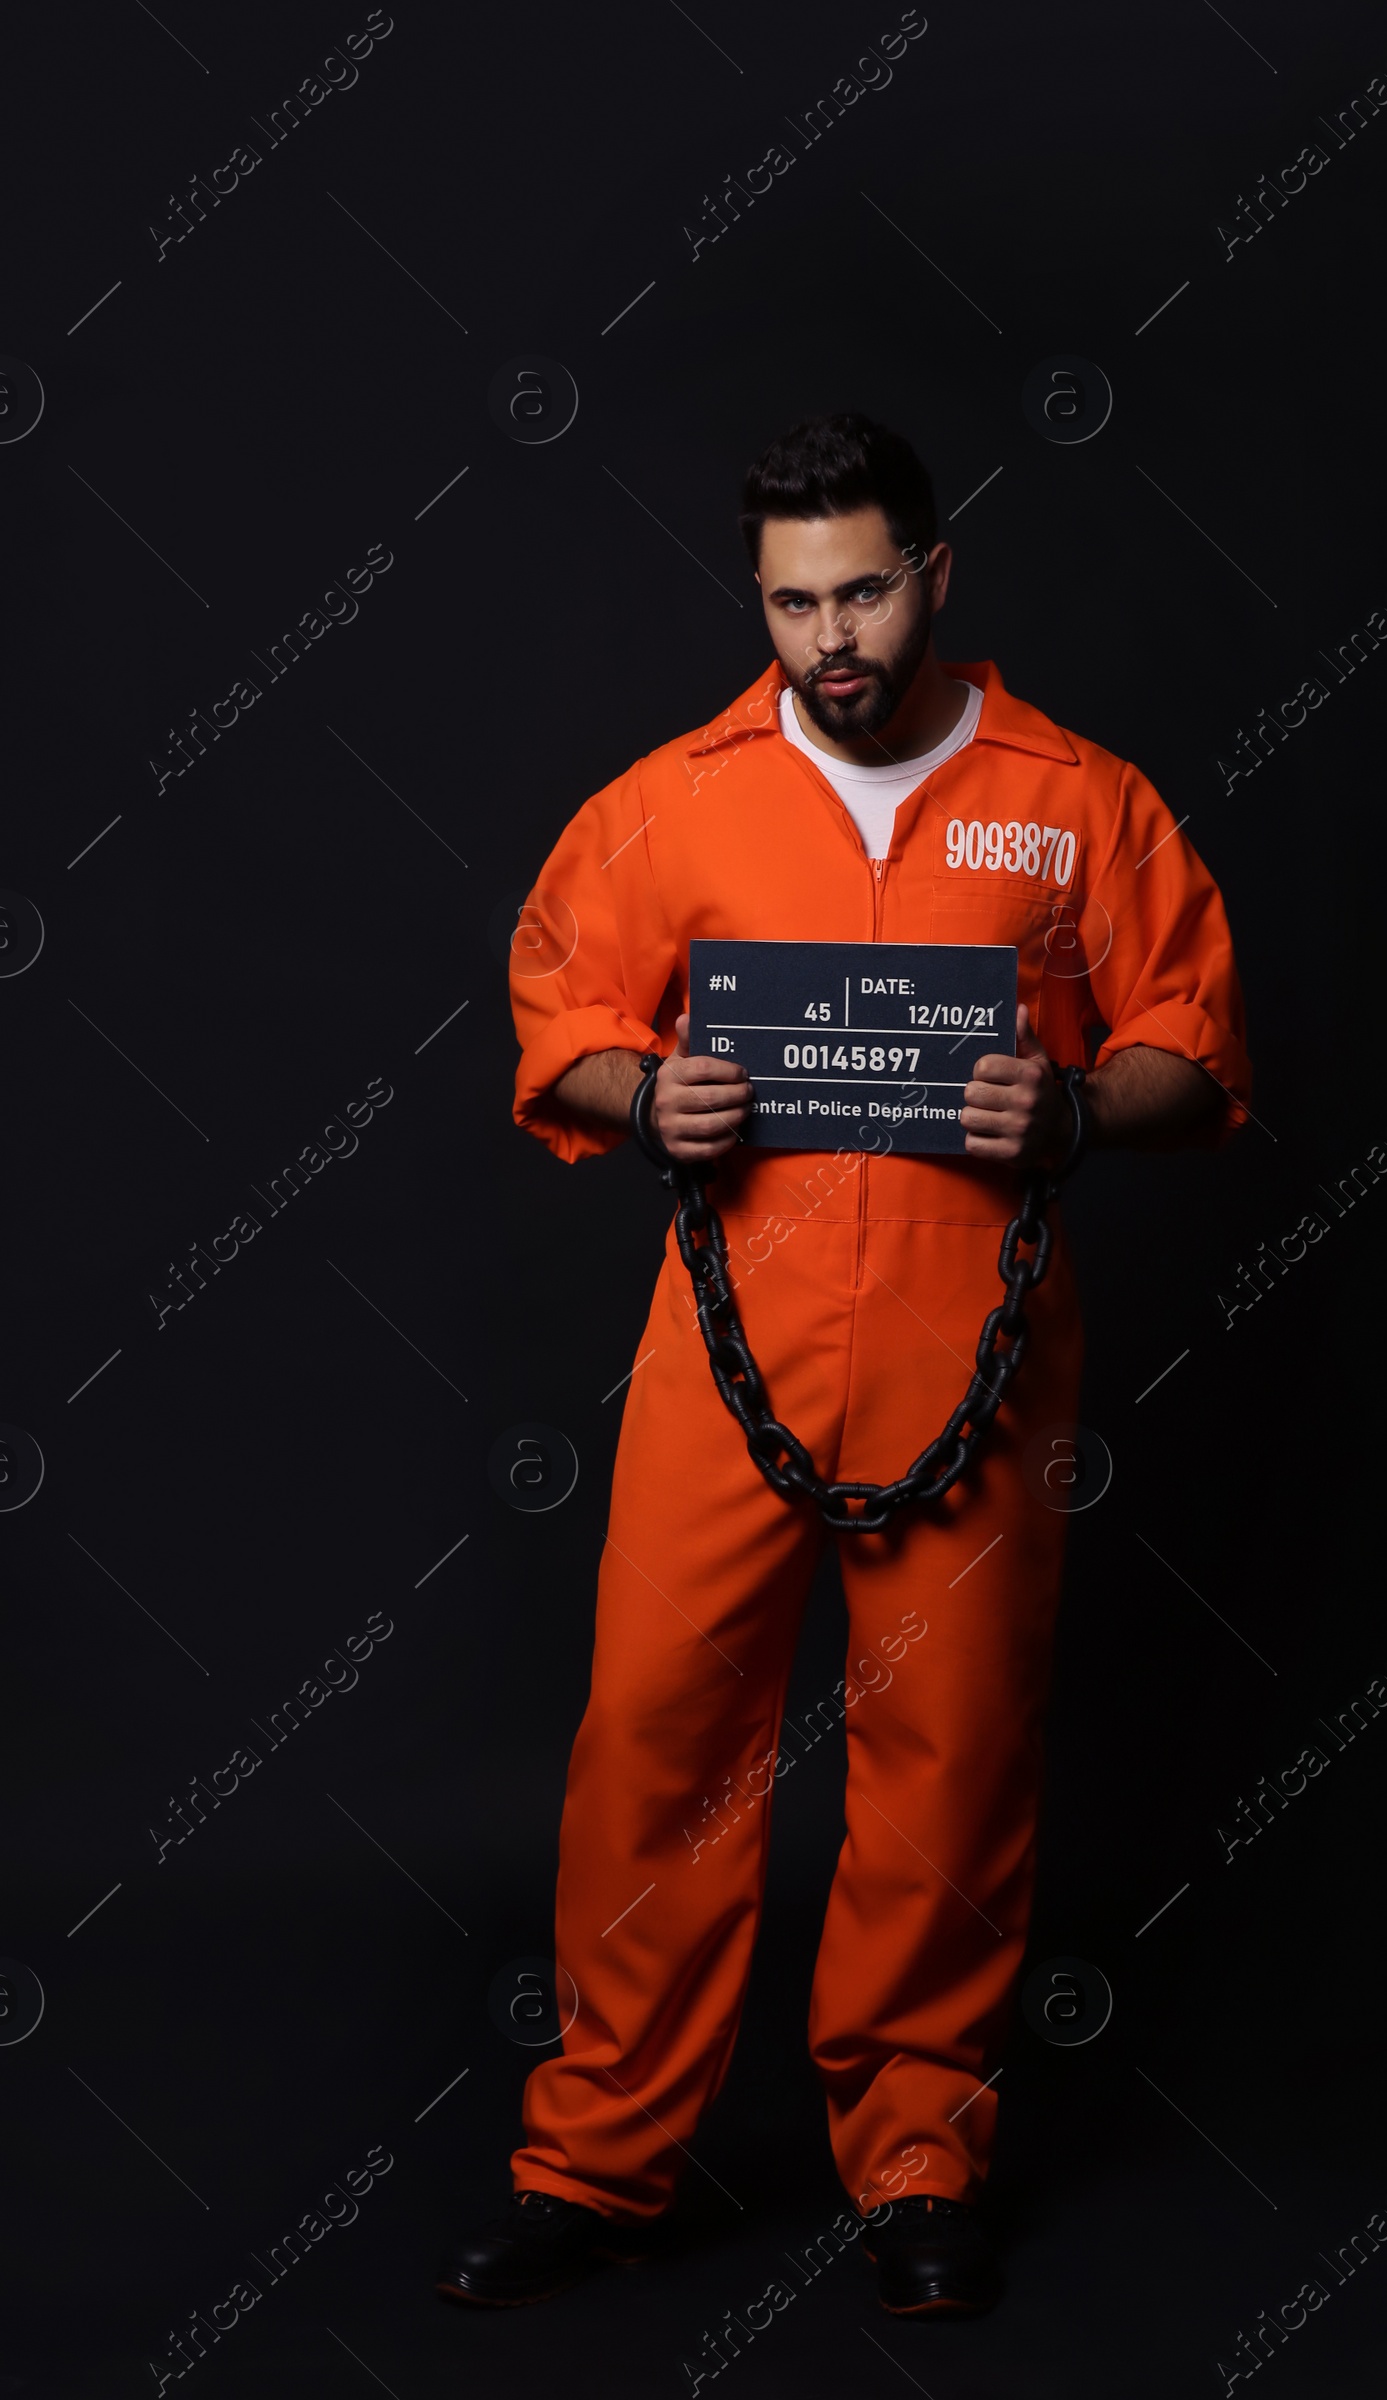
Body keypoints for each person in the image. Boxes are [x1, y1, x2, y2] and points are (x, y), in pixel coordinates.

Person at [437, 413, 1251, 2320]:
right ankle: (602, 2163)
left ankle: (913, 2161)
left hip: (974, 1351)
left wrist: (1071, 1106)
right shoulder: (677, 800)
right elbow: (556, 1005)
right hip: (725, 1355)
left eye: (866, 588)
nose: (832, 638)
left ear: (935, 574)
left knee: (950, 1763)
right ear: (762, 598)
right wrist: (652, 1090)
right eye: (796, 600)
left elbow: (1192, 1044)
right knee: (653, 1746)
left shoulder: (1080, 799)